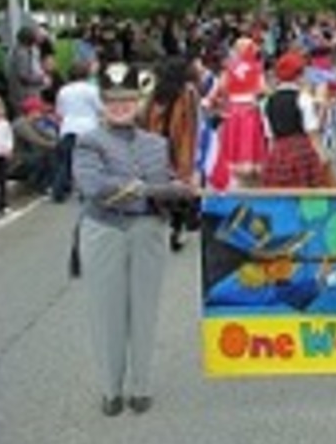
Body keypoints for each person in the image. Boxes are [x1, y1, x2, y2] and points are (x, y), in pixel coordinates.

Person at [72, 62, 197, 416]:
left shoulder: (157, 144)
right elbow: (94, 187)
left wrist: (186, 189)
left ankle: (140, 386)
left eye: (127, 100)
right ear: (102, 103)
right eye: (113, 101)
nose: (121, 107)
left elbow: (173, 184)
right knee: (106, 312)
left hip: (147, 230)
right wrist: (155, 188)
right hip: (104, 230)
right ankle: (111, 389)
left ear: (139, 101)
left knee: (145, 311)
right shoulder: (88, 142)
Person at [143, 56, 202, 251]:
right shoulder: (188, 93)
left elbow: (145, 119)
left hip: (155, 146)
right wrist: (191, 160)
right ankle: (177, 229)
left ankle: (159, 228)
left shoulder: (155, 93)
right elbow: (192, 124)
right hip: (178, 147)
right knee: (179, 190)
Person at [260, 50, 328, 188]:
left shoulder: (268, 101)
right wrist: (323, 158)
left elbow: (270, 136)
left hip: (278, 153)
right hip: (301, 152)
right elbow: (313, 134)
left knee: (280, 198)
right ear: (298, 75)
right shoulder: (303, 99)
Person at [206, 37, 268, 188]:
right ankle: (251, 181)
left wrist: (217, 103)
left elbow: (215, 93)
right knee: (250, 144)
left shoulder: (229, 68)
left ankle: (233, 182)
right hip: (250, 111)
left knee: (232, 146)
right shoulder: (256, 67)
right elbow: (263, 89)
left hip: (232, 112)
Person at [53, 60, 103, 202]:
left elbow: (60, 112)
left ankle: (59, 191)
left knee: (66, 162)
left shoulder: (63, 90)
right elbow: (100, 108)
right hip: (88, 127)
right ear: (87, 74)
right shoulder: (91, 89)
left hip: (68, 127)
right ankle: (85, 191)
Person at [11, 95, 59, 195]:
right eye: (39, 110)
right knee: (40, 158)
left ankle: (45, 184)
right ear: (31, 111)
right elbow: (35, 139)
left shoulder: (33, 122)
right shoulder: (21, 124)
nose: (41, 113)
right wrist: (53, 145)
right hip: (16, 159)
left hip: (26, 155)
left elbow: (47, 135)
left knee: (48, 155)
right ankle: (34, 185)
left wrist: (50, 123)